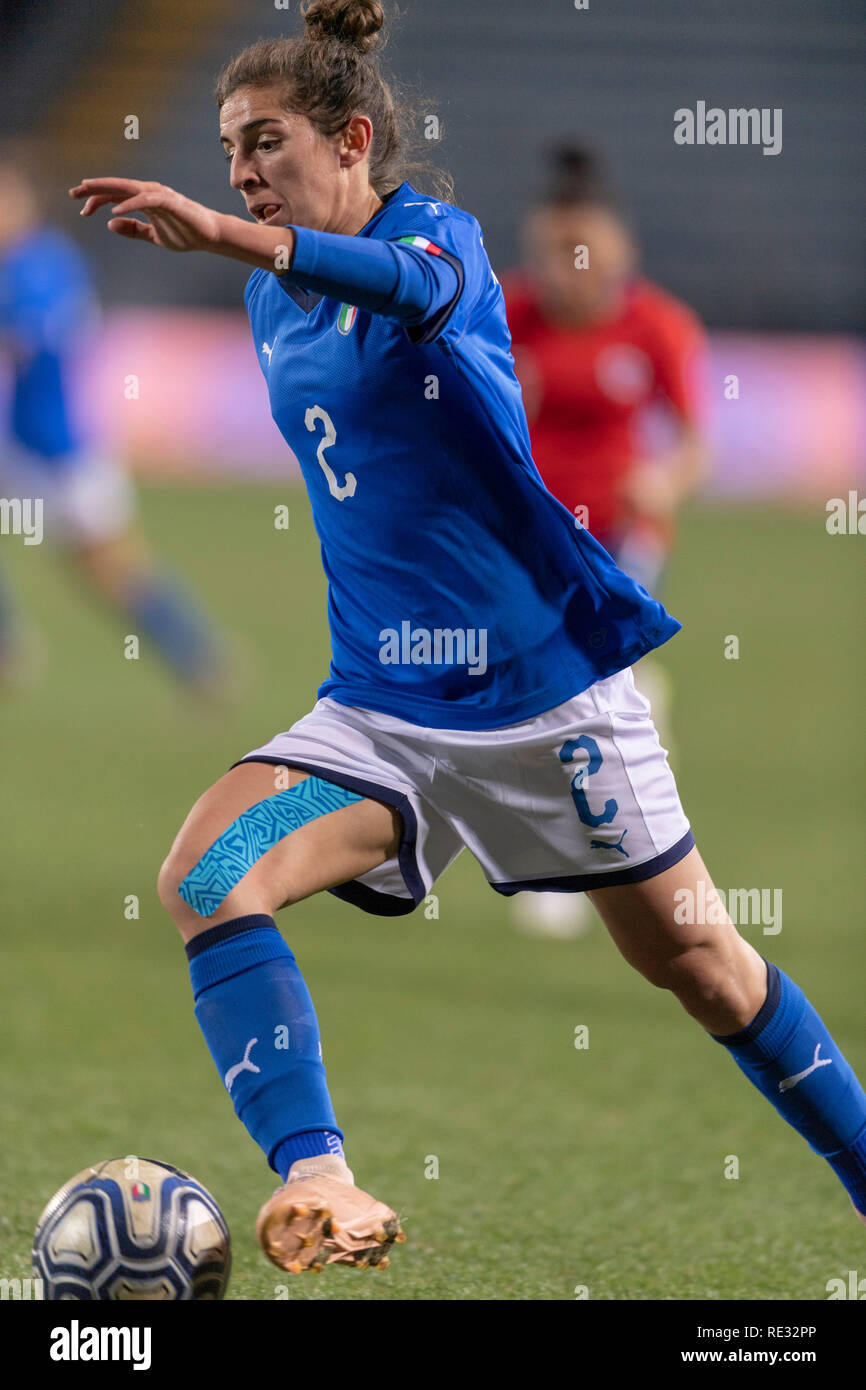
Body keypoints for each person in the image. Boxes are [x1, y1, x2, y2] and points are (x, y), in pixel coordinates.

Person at [72, 0, 866, 1279]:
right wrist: (254, 248)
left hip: (543, 701)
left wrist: (240, 238)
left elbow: (414, 291)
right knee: (207, 877)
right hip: (381, 710)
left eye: (262, 141)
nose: (237, 172)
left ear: (352, 139)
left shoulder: (435, 240)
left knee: (702, 966)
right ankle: (321, 1179)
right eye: (225, 151)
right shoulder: (272, 308)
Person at [501, 145, 710, 938]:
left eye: (578, 249)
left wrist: (665, 481)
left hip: (622, 538)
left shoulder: (657, 326)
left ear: (617, 249)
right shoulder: (512, 315)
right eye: (550, 250)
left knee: (569, 687)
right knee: (534, 695)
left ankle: (574, 867)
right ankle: (586, 827)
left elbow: (694, 442)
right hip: (533, 536)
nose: (564, 268)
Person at [0, 147, 231, 694]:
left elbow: (33, 342)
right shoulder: (22, 265)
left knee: (113, 572)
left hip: (63, 451)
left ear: (25, 202)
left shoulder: (41, 266)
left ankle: (198, 656)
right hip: (22, 449)